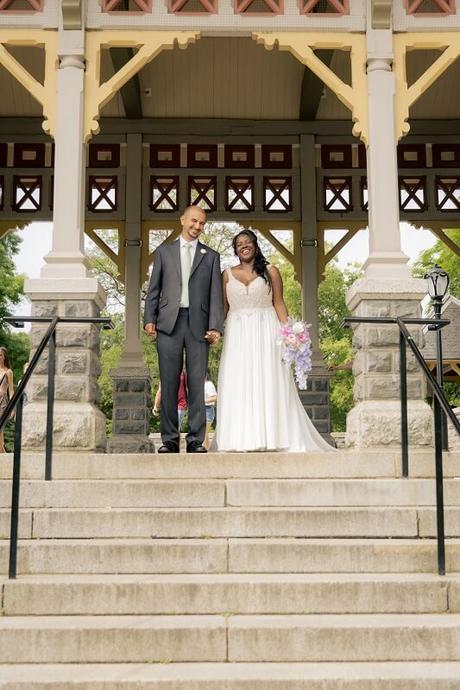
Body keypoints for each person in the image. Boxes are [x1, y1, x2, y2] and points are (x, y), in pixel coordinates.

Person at [213, 229, 334, 453]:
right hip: (238, 333)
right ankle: (240, 439)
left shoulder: (272, 271)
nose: (244, 245)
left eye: (248, 242)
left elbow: (278, 303)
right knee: (238, 379)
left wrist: (290, 333)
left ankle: (273, 437)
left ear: (255, 245)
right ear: (235, 249)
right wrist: (214, 330)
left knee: (267, 377)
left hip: (267, 330)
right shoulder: (226, 275)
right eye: (239, 243)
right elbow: (223, 308)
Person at [144, 206, 224, 453]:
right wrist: (149, 318)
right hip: (168, 323)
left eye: (202, 223)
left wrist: (215, 327)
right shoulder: (164, 252)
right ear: (182, 220)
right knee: (168, 381)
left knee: (197, 382)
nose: (197, 226)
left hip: (198, 326)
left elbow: (215, 295)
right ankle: (169, 439)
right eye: (194, 221)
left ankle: (195, 441)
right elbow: (154, 289)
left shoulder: (211, 256)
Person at [0, 347, 15, 454]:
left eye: (0, 355)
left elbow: (11, 391)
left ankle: (2, 450)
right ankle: (2, 451)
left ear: (4, 357)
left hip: (3, 402)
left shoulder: (8, 372)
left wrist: (13, 407)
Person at [203, 374, 217, 450]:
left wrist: (202, 401)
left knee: (204, 432)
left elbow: (215, 397)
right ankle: (207, 450)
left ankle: (205, 451)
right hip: (201, 410)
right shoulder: (199, 384)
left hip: (208, 410)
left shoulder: (209, 384)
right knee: (205, 434)